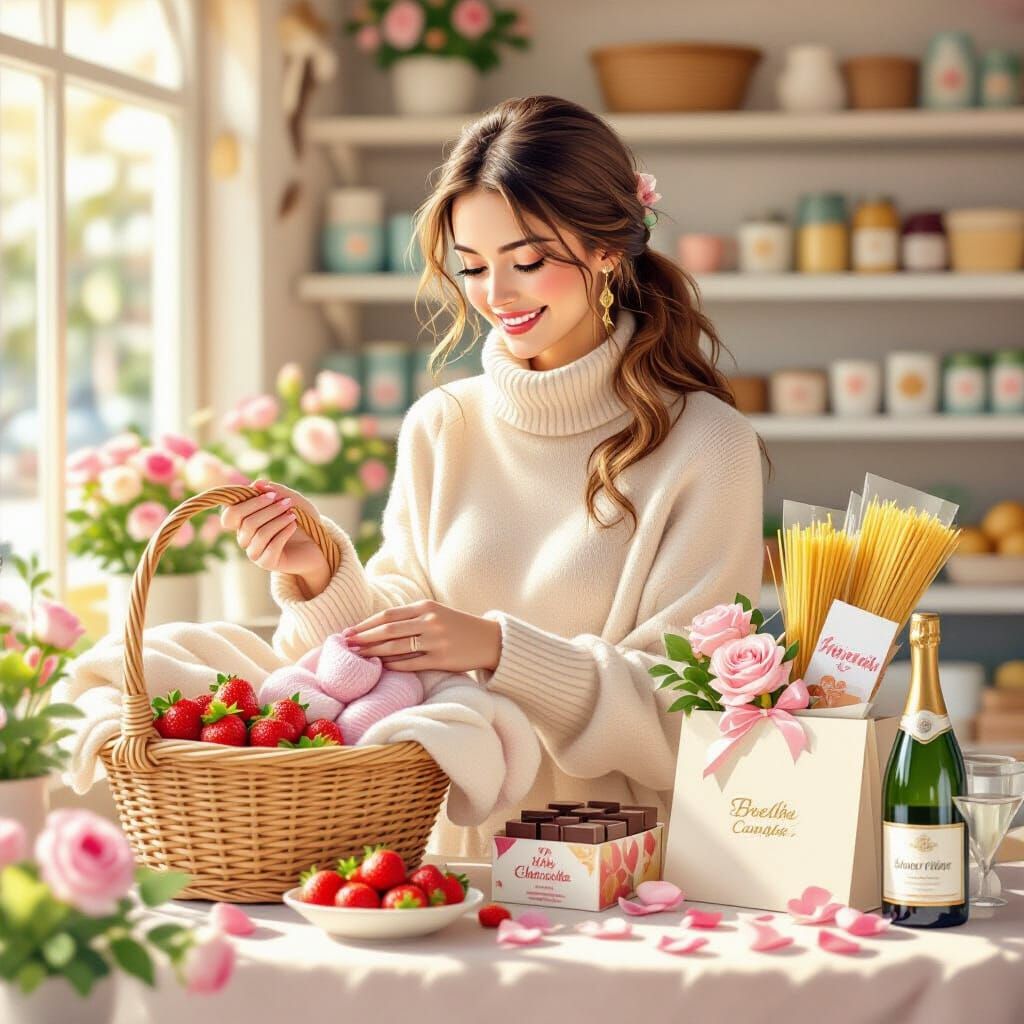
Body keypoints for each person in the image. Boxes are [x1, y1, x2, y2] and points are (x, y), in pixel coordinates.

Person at [220, 95, 766, 860]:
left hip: (617, 866)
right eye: (473, 267)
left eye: (529, 260)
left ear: (608, 248)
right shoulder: (443, 423)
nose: (496, 296)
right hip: (444, 848)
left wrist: (498, 649)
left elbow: (686, 714)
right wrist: (320, 575)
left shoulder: (709, 445)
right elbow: (395, 647)